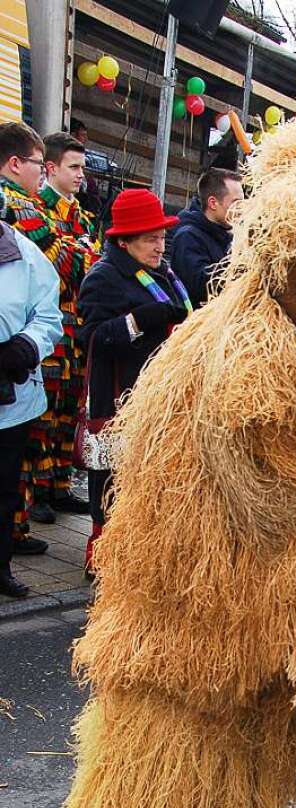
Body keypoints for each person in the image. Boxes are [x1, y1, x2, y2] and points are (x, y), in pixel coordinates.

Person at [77, 188, 191, 573]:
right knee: (112, 488)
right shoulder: (104, 278)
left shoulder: (165, 273)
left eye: (161, 236)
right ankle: (106, 564)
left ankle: (142, 559)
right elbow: (91, 338)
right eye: (150, 239)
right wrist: (139, 321)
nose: (160, 246)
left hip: (158, 399)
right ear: (124, 241)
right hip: (118, 402)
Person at [21, 132, 98, 525]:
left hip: (77, 329)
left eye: (82, 168)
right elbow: (63, 267)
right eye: (74, 167)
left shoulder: (81, 216)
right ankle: (36, 489)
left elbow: (92, 268)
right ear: (50, 168)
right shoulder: (36, 209)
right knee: (43, 414)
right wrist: (80, 258)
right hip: (50, 328)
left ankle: (59, 483)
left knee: (69, 408)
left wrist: (80, 257)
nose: (81, 175)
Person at [0, 218, 63, 597]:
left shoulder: (23, 253)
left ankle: (0, 565)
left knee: (5, 488)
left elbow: (48, 315)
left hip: (11, 396)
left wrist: (27, 345)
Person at [170, 168, 243, 308]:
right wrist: (243, 261)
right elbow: (200, 287)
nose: (241, 209)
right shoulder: (188, 236)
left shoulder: (227, 234)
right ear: (213, 203)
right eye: (236, 202)